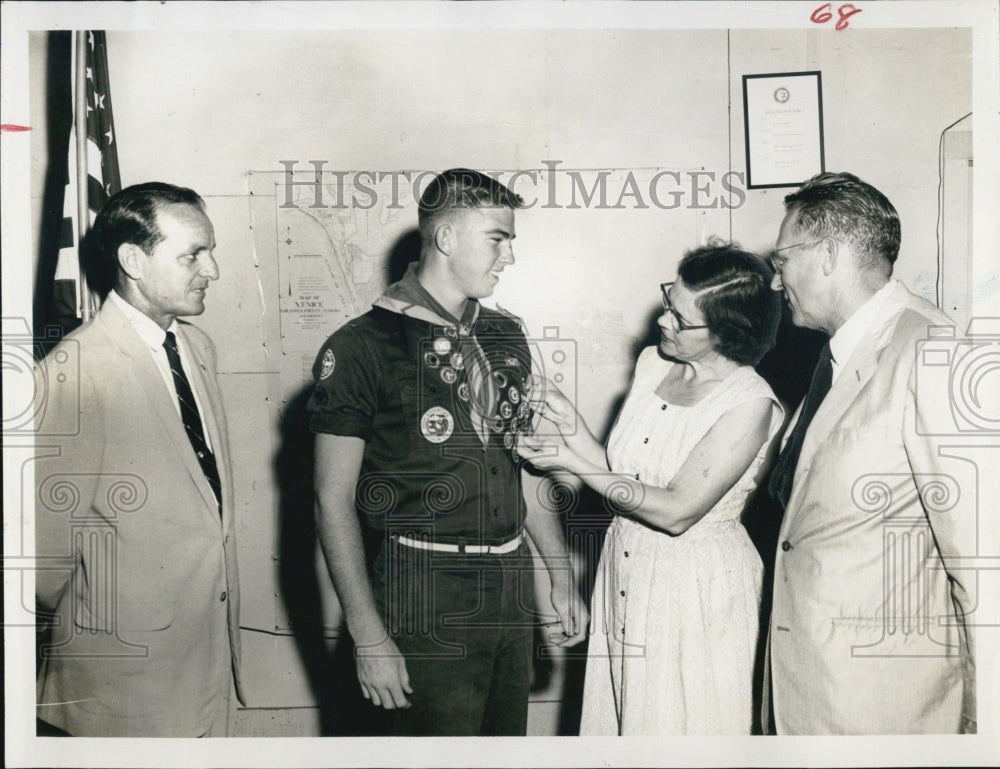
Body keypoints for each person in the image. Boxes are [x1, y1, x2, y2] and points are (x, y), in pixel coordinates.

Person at [307, 168, 588, 736]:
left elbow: (523, 465)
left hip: (510, 584)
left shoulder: (505, 336)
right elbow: (329, 500)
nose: (508, 257)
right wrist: (369, 637)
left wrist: (559, 575)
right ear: (446, 238)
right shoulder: (361, 346)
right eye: (497, 238)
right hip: (422, 587)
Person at [517, 241, 784, 735]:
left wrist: (571, 461)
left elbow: (677, 510)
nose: (663, 321)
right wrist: (567, 419)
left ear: (727, 332)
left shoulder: (750, 403)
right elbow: (621, 472)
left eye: (681, 320)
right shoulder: (653, 365)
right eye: (668, 302)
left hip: (696, 589)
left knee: (686, 726)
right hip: (626, 567)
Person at [764, 172, 977, 734]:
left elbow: (980, 564)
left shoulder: (931, 350)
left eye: (781, 259)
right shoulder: (834, 357)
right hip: (814, 691)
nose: (773, 279)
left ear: (828, 255)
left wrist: (980, 727)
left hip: (885, 708)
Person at [33, 183, 243, 736]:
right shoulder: (76, 370)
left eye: (210, 251)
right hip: (122, 684)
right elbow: (43, 560)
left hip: (205, 662)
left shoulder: (197, 349)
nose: (212, 270)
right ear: (133, 260)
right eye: (193, 254)